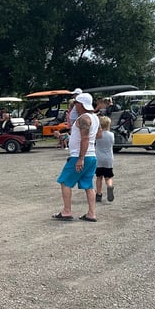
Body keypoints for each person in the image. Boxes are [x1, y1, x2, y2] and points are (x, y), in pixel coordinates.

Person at [52, 93, 100, 222]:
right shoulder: (95, 118)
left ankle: (66, 211)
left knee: (65, 181)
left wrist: (80, 158)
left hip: (79, 156)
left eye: (76, 103)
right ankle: (91, 213)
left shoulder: (84, 118)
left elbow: (85, 138)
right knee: (88, 185)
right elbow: (98, 135)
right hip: (92, 155)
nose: (74, 106)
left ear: (81, 104)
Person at [95, 116, 115, 203]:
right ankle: (109, 186)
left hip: (99, 158)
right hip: (108, 158)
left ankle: (98, 194)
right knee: (108, 177)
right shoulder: (111, 135)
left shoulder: (97, 135)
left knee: (99, 177)